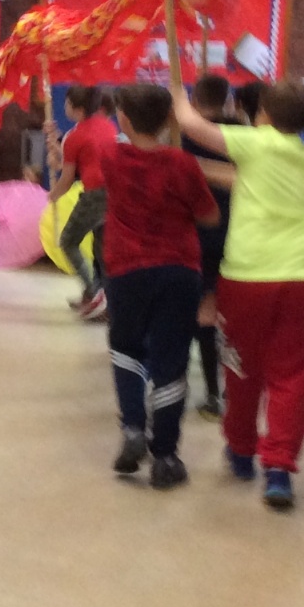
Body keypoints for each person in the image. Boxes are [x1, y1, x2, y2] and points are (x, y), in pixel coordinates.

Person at [173, 80, 304, 511]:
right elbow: (244, 180)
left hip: (248, 280)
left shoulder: (255, 143)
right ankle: (278, 467)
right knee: (293, 375)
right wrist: (192, 164)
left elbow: (190, 123)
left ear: (263, 116)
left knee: (241, 367)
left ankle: (241, 452)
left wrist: (177, 94)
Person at [99, 85, 220, 489]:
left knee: (126, 350)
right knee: (171, 362)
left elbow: (89, 179)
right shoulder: (183, 164)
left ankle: (133, 428)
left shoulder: (111, 157)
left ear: (124, 119)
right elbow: (209, 216)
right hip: (178, 272)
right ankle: (165, 455)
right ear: (169, 120)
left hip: (125, 270)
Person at [182, 75, 242, 420]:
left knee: (202, 312)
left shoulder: (185, 137)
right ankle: (230, 389)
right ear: (228, 100)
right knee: (231, 313)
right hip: (238, 231)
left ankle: (211, 394)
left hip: (198, 232)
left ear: (193, 100)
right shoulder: (241, 134)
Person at [46, 85, 119, 320]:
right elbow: (82, 161)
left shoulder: (76, 137)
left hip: (95, 195)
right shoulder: (108, 126)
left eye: (67, 103)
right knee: (101, 249)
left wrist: (54, 194)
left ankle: (95, 293)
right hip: (114, 193)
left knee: (68, 241)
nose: (64, 107)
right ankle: (103, 299)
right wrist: (56, 148)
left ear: (77, 109)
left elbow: (67, 178)